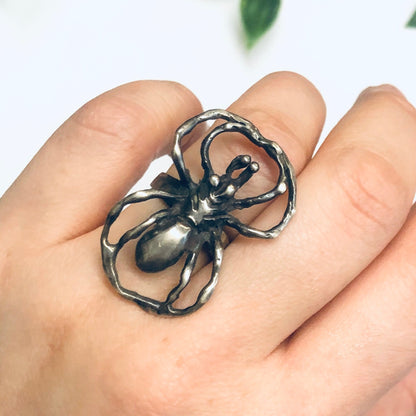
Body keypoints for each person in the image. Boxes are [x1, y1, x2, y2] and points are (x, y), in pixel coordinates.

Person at [1, 71, 416, 416]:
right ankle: (169, 296)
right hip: (176, 230)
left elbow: (264, 229)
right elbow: (259, 228)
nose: (224, 186)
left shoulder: (199, 208)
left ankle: (171, 296)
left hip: (180, 227)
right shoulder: (204, 216)